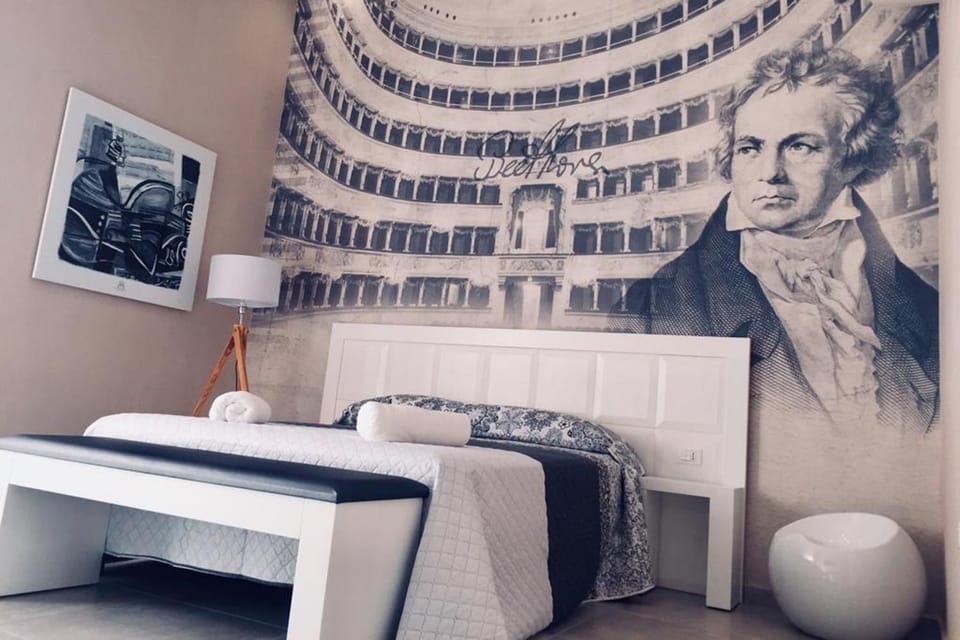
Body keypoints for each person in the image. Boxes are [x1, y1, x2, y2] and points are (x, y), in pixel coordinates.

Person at [615, 46, 938, 431]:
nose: (770, 172)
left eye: (800, 146)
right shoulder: (650, 307)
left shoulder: (927, 307)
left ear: (854, 159)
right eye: (750, 148)